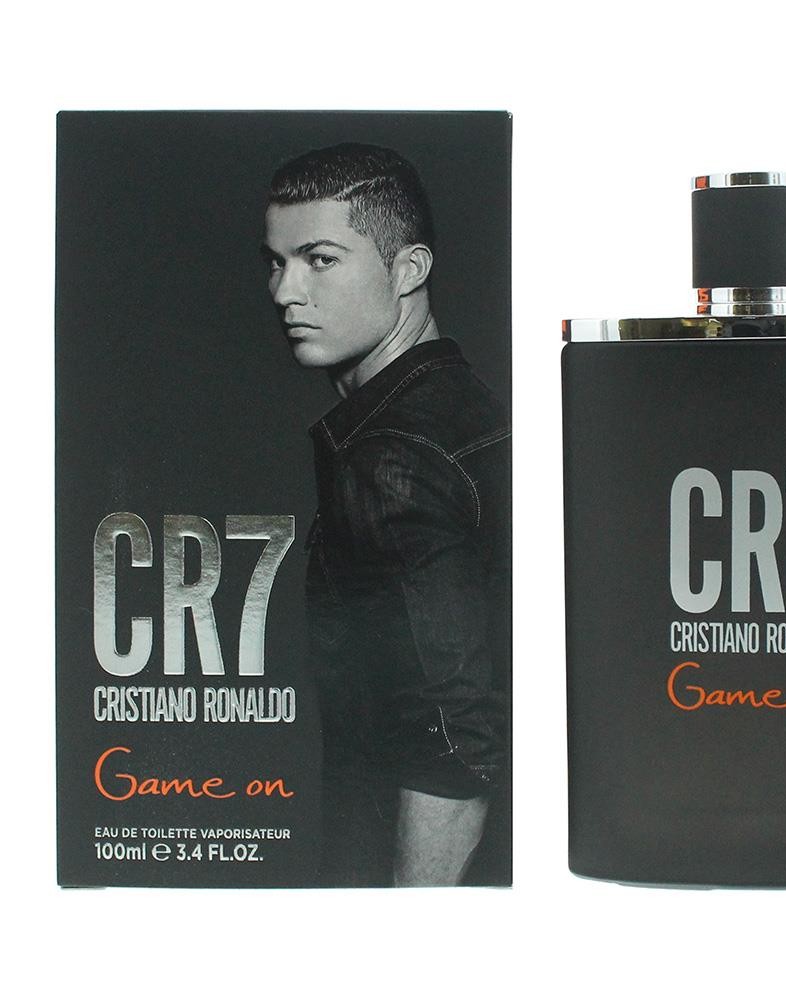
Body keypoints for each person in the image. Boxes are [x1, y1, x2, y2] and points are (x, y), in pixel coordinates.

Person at [261, 143, 510, 886]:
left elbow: (455, 745)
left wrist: (406, 937)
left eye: (320, 260)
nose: (285, 291)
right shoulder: (469, 410)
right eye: (277, 262)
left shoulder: (393, 460)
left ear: (408, 270)